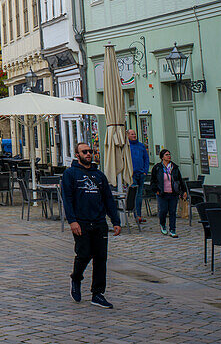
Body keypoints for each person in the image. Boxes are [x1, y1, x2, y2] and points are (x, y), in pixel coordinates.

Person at [62, 142, 121, 309]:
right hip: (81, 222)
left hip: (99, 222)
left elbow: (108, 199)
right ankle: (76, 278)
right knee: (84, 254)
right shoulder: (70, 174)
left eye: (90, 151)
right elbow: (68, 199)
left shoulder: (99, 176)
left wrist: (115, 221)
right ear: (77, 154)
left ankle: (98, 293)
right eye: (84, 152)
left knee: (101, 258)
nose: (88, 154)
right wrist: (72, 221)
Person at [149, 148, 186, 237]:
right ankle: (162, 224)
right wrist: (156, 190)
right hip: (162, 193)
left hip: (173, 193)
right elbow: (153, 181)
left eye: (169, 154)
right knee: (163, 211)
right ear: (162, 157)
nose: (169, 156)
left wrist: (183, 191)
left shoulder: (174, 167)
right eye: (166, 155)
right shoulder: (157, 167)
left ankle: (172, 229)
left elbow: (180, 180)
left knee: (172, 212)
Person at [128, 130, 150, 224]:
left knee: (139, 195)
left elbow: (146, 158)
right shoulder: (127, 147)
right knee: (134, 194)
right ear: (127, 135)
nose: (134, 135)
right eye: (132, 134)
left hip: (141, 174)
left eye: (135, 134)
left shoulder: (141, 146)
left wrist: (145, 171)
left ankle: (138, 215)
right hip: (132, 174)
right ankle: (135, 214)